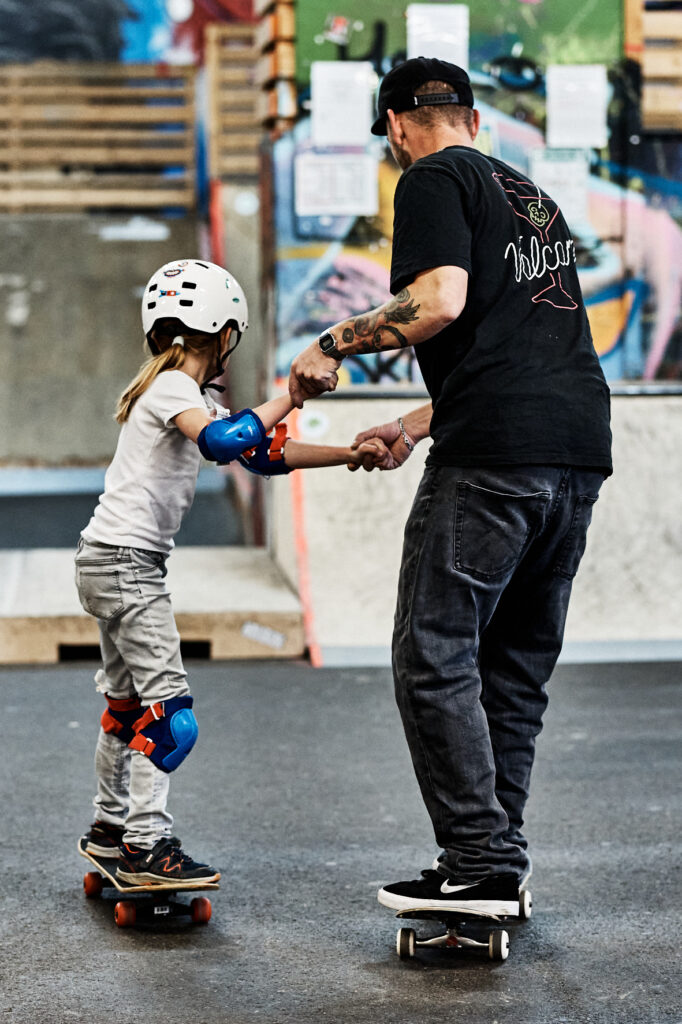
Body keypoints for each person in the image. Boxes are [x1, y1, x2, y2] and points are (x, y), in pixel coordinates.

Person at [289, 58, 613, 918]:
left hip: (496, 458)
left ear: (398, 123)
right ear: (472, 115)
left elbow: (436, 303)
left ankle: (478, 858)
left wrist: (335, 339)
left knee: (432, 655)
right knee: (513, 667)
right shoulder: (529, 195)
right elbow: (514, 346)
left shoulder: (434, 177)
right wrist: (414, 421)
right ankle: (493, 862)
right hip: (574, 454)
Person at [77, 258, 383, 886]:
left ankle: (111, 829)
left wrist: (347, 453)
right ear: (220, 332)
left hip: (108, 561)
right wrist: (291, 396)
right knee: (170, 717)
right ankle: (146, 844)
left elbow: (262, 452)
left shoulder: (185, 394)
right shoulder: (170, 390)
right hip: (129, 567)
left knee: (126, 706)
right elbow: (224, 444)